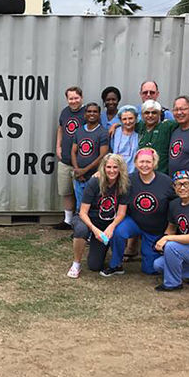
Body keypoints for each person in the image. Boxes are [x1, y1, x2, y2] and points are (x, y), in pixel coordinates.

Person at [103, 148, 176, 276]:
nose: (144, 165)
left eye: (148, 162)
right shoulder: (129, 180)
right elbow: (111, 179)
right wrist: (99, 175)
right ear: (136, 163)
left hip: (155, 229)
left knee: (150, 269)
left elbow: (177, 206)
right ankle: (116, 264)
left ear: (154, 163)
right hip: (134, 222)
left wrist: (170, 229)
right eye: (141, 162)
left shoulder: (166, 182)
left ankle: (172, 259)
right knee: (119, 230)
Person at [67, 154, 130, 278]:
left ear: (120, 169)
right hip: (87, 219)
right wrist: (94, 230)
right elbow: (83, 212)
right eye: (108, 167)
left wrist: (111, 227)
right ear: (103, 168)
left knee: (95, 266)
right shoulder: (94, 182)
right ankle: (76, 264)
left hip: (106, 222)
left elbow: (122, 213)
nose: (112, 170)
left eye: (115, 167)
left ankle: (107, 253)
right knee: (81, 230)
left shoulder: (124, 185)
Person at [134, 99, 189, 174]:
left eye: (154, 113)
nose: (150, 115)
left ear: (159, 114)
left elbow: (187, 119)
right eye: (147, 113)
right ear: (142, 114)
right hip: (143, 172)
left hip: (162, 174)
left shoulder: (167, 126)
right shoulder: (140, 126)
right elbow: (126, 122)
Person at [53, 86, 85, 231]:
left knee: (81, 192)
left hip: (81, 161)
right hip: (65, 159)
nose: (73, 101)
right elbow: (60, 128)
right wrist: (58, 146)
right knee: (66, 191)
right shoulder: (65, 112)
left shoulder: (87, 112)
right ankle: (67, 220)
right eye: (71, 98)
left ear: (81, 98)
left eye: (76, 98)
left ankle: (81, 221)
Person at [70, 102, 109, 210]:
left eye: (95, 111)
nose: (92, 114)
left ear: (99, 114)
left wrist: (85, 170)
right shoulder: (79, 131)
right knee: (79, 205)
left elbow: (103, 155)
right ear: (85, 114)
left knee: (93, 206)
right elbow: (73, 151)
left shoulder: (103, 132)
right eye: (89, 111)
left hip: (94, 177)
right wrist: (77, 170)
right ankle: (80, 226)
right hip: (79, 177)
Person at [110, 105, 140, 174]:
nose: (128, 122)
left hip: (134, 174)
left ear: (136, 119)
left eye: (130, 118)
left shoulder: (139, 133)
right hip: (116, 173)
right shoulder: (115, 132)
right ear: (120, 120)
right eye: (124, 119)